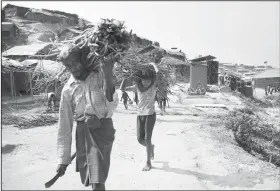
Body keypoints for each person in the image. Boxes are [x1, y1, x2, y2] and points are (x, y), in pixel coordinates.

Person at [56, 44, 118, 191]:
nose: (73, 68)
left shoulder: (100, 76)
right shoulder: (68, 89)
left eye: (75, 63)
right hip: (82, 132)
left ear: (83, 59)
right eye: (68, 65)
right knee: (90, 177)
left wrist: (108, 75)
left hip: (102, 129)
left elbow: (112, 103)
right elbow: (64, 125)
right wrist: (63, 159)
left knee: (97, 179)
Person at [120, 49, 164, 171]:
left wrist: (153, 65)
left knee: (148, 138)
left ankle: (148, 162)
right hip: (140, 115)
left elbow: (158, 75)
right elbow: (121, 88)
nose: (146, 81)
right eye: (144, 79)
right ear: (140, 80)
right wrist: (126, 76)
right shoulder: (137, 88)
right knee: (140, 139)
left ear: (151, 80)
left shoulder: (153, 87)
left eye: (148, 79)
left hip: (150, 115)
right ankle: (151, 147)